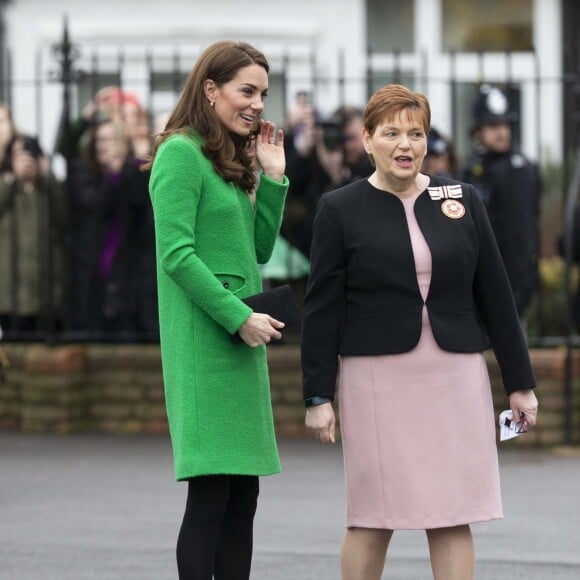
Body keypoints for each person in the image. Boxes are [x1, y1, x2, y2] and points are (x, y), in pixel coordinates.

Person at [301, 84, 538, 580]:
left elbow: (495, 295)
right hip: (376, 380)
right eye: (391, 133)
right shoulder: (340, 208)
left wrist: (521, 384)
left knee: (452, 514)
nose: (405, 144)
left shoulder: (461, 198)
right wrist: (318, 394)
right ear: (366, 140)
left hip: (454, 376)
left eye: (416, 133)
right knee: (372, 516)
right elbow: (323, 308)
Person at [144, 40, 289, 580]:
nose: (256, 103)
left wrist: (271, 177)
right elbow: (176, 257)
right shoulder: (179, 153)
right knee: (210, 497)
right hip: (208, 342)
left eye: (263, 94)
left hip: (238, 342)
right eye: (245, 91)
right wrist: (237, 316)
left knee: (242, 497)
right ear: (211, 89)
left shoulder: (224, 158)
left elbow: (257, 252)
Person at [67, 117, 155, 336]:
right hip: (93, 260)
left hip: (129, 263)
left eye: (110, 140)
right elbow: (96, 205)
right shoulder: (84, 171)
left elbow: (141, 205)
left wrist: (129, 168)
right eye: (99, 140)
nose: (103, 146)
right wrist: (113, 175)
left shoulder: (134, 171)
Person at [462, 84, 541, 322]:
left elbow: (521, 236)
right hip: (480, 283)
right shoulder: (475, 168)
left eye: (505, 125)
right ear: (477, 131)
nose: (502, 133)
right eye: (494, 126)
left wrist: (516, 291)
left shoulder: (518, 169)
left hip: (508, 284)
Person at [0, 113, 66, 335]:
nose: (25, 160)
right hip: (9, 296)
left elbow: (65, 219)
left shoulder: (48, 190)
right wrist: (11, 179)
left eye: (29, 154)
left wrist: (49, 177)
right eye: (18, 155)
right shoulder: (7, 187)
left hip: (46, 294)